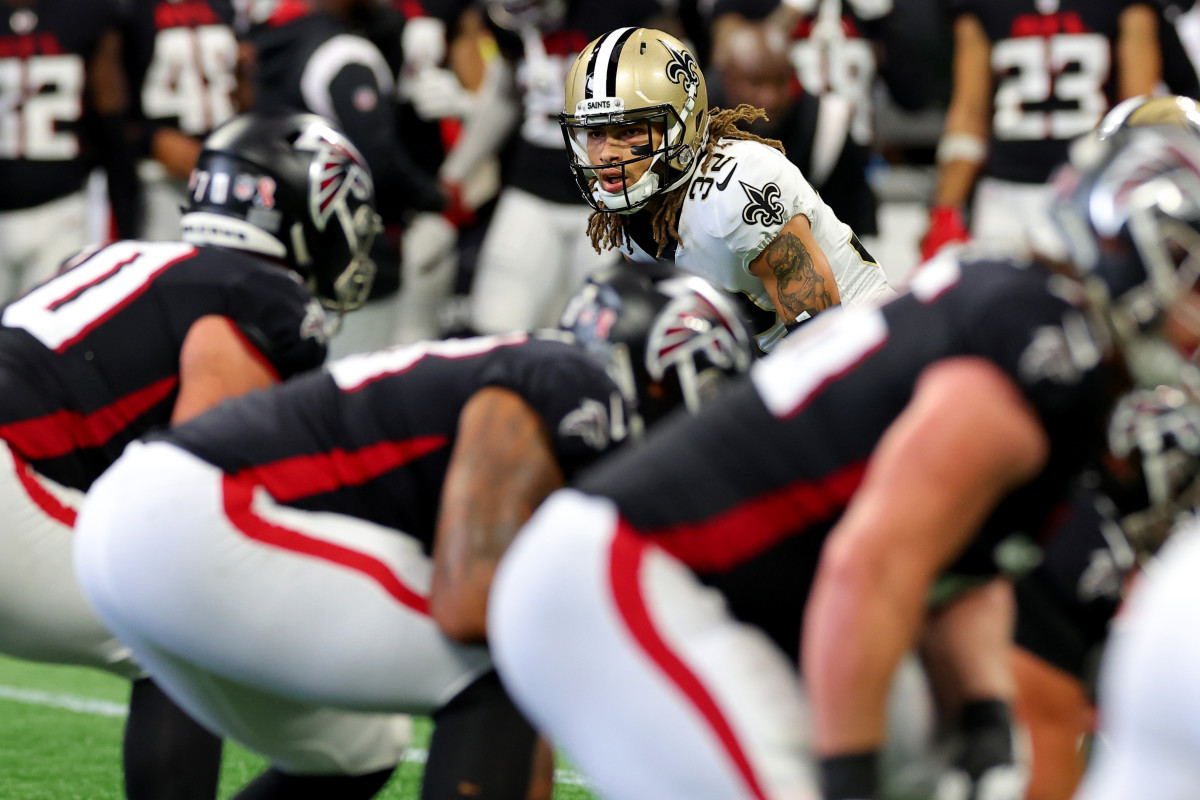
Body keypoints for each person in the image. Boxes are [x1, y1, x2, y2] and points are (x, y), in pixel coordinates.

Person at [483, 124, 1200, 800]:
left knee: (941, 749)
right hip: (628, 576)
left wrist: (983, 721)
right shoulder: (1049, 347)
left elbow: (967, 562)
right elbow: (872, 565)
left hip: (715, 588)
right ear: (1129, 241)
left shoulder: (1036, 313)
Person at [69, 263, 754, 799]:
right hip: (193, 515)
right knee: (496, 656)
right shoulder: (571, 382)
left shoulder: (535, 370)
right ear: (668, 362)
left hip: (148, 521)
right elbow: (469, 611)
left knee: (350, 755)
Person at [0, 109, 379, 799]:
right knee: (178, 617)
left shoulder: (116, 255)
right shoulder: (258, 295)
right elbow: (184, 494)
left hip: (18, 466)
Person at [561, 27, 894, 354]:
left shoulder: (737, 186)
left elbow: (822, 333)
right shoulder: (633, 207)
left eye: (630, 130)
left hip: (863, 345)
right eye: (595, 133)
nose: (606, 154)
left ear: (682, 126)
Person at [461, 0, 671, 336]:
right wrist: (456, 172)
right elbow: (505, 95)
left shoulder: (626, 12)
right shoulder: (507, 19)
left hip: (614, 196)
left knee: (605, 332)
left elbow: (675, 91)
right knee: (496, 322)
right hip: (533, 186)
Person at [920, 0, 1161, 261]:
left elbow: (1136, 112)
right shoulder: (980, 8)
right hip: (1005, 192)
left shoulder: (1130, 9)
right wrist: (945, 211)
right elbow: (970, 111)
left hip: (1088, 190)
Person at [0, 0, 141, 301]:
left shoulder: (85, 14)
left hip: (62, 210)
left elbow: (110, 120)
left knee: (50, 336)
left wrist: (128, 223)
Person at [708, 18, 878, 239]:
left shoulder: (827, 125)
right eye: (755, 83)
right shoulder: (696, 124)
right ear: (726, 79)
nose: (770, 98)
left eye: (780, 81)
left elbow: (856, 226)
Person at [121, 0, 239, 241]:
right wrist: (150, 139)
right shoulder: (129, 8)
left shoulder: (228, 6)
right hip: (159, 177)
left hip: (230, 169)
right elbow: (107, 101)